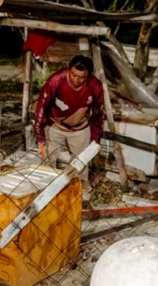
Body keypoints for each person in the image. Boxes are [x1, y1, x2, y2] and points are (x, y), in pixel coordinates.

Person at [33, 55, 105, 189]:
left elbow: (98, 114)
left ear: (89, 75)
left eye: (82, 77)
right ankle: (46, 191)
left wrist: (95, 138)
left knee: (81, 164)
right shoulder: (55, 81)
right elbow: (42, 107)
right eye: (73, 75)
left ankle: (81, 195)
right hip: (54, 126)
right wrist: (39, 133)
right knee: (47, 160)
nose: (76, 80)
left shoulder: (95, 86)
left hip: (80, 129)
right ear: (68, 70)